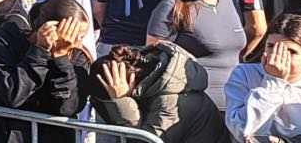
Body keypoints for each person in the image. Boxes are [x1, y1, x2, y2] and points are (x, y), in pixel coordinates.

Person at [144, 0, 244, 108]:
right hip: (192, 109)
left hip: (235, 106)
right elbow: (152, 61)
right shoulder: (171, 7)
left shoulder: (231, 1)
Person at [224, 14, 301, 142]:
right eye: (271, 46)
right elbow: (242, 130)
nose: (278, 56)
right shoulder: (244, 74)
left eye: (292, 52)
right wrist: (273, 82)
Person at [0, 0, 92, 143]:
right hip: (15, 134)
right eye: (75, 36)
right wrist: (40, 51)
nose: (78, 43)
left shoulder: (77, 54)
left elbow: (68, 108)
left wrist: (61, 59)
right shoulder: (7, 39)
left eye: (82, 37)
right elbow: (12, 95)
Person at [87, 43, 232, 143]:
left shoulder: (171, 101)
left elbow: (145, 140)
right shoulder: (160, 83)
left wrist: (122, 101)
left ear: (130, 79)